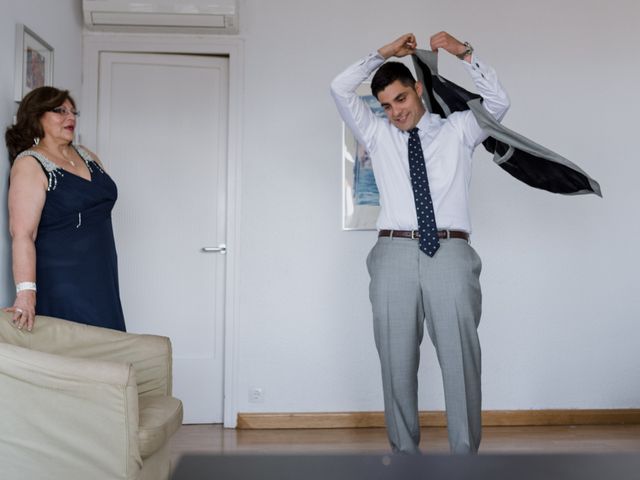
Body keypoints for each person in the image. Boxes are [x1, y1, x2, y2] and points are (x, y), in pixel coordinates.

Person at [330, 32, 510, 454]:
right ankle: (406, 457)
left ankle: (464, 458)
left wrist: (462, 53)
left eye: (401, 99)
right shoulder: (376, 135)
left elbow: (498, 102)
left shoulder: (460, 130)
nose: (395, 112)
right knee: (396, 363)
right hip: (393, 254)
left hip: (450, 253)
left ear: (417, 91)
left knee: (461, 360)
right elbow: (339, 87)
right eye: (387, 105)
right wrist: (382, 54)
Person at [4, 86, 126, 332]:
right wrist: (25, 293)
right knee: (76, 353)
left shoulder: (87, 155)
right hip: (63, 278)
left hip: (102, 273)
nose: (70, 117)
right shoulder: (30, 163)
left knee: (110, 349)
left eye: (73, 111)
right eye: (60, 111)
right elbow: (23, 234)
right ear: (36, 116)